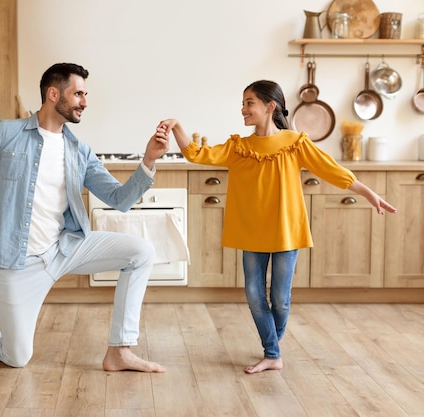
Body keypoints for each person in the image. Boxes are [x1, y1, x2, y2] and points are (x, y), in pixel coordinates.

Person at [157, 80, 397, 374]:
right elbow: (197, 154)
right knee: (255, 294)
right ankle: (272, 352)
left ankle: (273, 343)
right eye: (243, 103)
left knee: (280, 300)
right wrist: (177, 126)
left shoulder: (296, 143)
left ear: (270, 106)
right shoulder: (239, 147)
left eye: (249, 103)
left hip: (286, 230)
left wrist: (369, 193)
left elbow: (331, 170)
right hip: (251, 231)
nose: (243, 109)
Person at [0, 63, 167, 372]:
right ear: (53, 94)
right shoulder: (5, 133)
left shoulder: (78, 151)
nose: (85, 102)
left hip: (64, 248)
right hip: (17, 262)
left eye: (85, 94)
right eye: (78, 94)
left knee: (141, 251)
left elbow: (120, 200)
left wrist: (148, 161)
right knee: (17, 357)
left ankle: (120, 350)